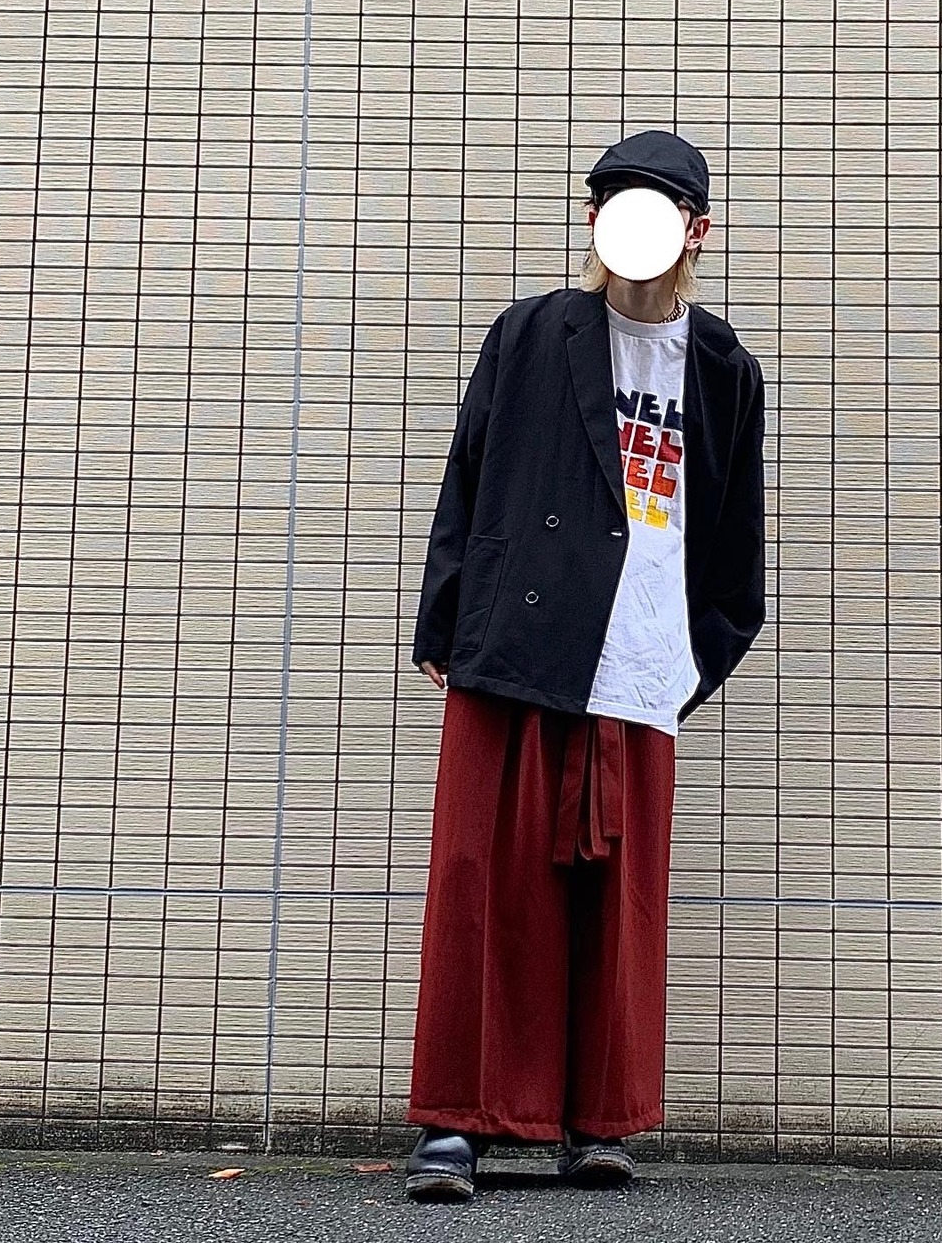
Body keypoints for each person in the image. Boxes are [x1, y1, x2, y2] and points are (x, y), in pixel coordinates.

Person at [403, 129, 767, 1201]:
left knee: (620, 907)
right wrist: (446, 622)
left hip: (641, 662)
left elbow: (733, 537)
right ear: (594, 223)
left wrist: (698, 654)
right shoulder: (529, 334)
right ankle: (456, 1124)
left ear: (698, 232)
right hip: (516, 649)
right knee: (482, 887)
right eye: (616, 207)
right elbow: (468, 476)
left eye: (661, 211)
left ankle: (597, 1122)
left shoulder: (721, 367)